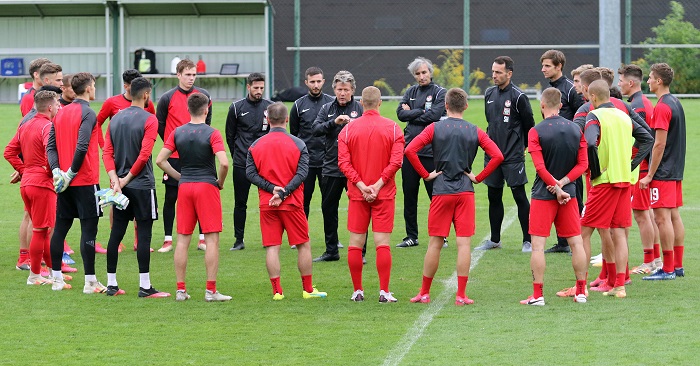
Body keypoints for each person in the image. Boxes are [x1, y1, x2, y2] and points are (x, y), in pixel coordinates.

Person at [406, 87, 503, 306]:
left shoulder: (434, 128)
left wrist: (426, 175)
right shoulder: (475, 130)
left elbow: (410, 150)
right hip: (465, 191)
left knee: (435, 243)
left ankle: (424, 292)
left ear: (446, 106)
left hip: (441, 190)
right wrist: (478, 177)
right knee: (464, 244)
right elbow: (498, 155)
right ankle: (461, 295)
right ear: (466, 106)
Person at [247, 102, 327, 300]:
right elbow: (302, 173)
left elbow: (250, 173)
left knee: (272, 247)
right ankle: (308, 290)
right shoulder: (299, 144)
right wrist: (284, 193)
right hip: (292, 203)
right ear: (287, 119)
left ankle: (277, 291)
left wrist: (270, 189)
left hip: (267, 203)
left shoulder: (255, 146)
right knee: (303, 245)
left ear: (267, 120)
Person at [580, 80, 653, 298]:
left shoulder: (595, 116)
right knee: (619, 233)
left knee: (582, 233)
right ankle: (619, 286)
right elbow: (647, 138)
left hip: (604, 182)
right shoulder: (624, 115)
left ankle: (580, 285)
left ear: (593, 96)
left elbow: (591, 143)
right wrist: (632, 163)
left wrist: (594, 171)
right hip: (624, 181)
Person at [156, 93, 231, 302]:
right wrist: (221, 182)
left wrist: (180, 177)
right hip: (207, 186)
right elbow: (224, 163)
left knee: (182, 240)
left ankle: (180, 290)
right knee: (212, 240)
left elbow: (160, 160)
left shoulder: (177, 132)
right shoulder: (212, 133)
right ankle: (210, 291)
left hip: (185, 187)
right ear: (206, 110)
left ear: (188, 110)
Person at [519, 88, 588, 306]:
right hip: (570, 195)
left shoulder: (535, 131)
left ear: (542, 105)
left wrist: (555, 187)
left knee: (538, 246)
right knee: (576, 243)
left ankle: (538, 295)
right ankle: (580, 292)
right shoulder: (576, 129)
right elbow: (583, 165)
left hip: (543, 194)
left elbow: (540, 167)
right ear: (560, 105)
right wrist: (563, 184)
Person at [102, 77, 170, 298]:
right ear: (147, 95)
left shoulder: (116, 119)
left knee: (116, 234)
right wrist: (126, 179)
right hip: (141, 186)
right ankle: (145, 286)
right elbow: (144, 155)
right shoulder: (150, 120)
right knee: (145, 235)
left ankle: (111, 284)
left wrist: (116, 180)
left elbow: (106, 153)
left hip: (119, 188)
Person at [336, 86, 403, 302]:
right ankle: (384, 291)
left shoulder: (346, 130)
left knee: (356, 243)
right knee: (382, 242)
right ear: (380, 103)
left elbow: (343, 163)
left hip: (358, 194)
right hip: (383, 194)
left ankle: (358, 291)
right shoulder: (393, 129)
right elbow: (396, 162)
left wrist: (362, 185)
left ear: (361, 103)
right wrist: (378, 185)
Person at [47, 72, 105, 293]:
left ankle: (57, 280)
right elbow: (82, 147)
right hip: (85, 180)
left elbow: (50, 146)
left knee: (61, 228)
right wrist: (70, 173)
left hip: (64, 182)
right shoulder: (88, 113)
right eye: (94, 86)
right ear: (88, 88)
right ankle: (90, 282)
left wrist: (56, 172)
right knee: (88, 230)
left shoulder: (61, 113)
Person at [476, 56, 534, 252]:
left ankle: (528, 240)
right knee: (494, 195)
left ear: (509, 74)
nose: (494, 75)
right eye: (493, 71)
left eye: (498, 72)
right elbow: (491, 122)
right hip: (492, 155)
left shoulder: (519, 97)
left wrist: (523, 147)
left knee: (519, 196)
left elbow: (530, 126)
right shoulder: (489, 93)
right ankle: (494, 239)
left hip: (512, 156)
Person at [97, 69, 158, 253]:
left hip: (135, 165)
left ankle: (139, 241)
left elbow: (152, 122)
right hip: (118, 165)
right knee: (118, 199)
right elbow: (97, 123)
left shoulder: (148, 107)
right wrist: (105, 148)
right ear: (127, 86)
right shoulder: (112, 103)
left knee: (139, 209)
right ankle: (117, 238)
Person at [4, 90, 61, 285]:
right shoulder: (47, 126)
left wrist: (24, 170)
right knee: (40, 230)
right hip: (41, 184)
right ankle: (35, 276)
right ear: (50, 107)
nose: (60, 107)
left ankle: (54, 274)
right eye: (58, 104)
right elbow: (49, 152)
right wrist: (48, 171)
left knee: (43, 229)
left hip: (28, 182)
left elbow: (9, 152)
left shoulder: (25, 125)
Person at [155, 59, 212, 253]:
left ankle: (202, 238)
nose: (191, 78)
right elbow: (160, 123)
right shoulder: (166, 98)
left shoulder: (203, 96)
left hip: (200, 156)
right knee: (171, 197)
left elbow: (208, 123)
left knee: (202, 196)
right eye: (187, 74)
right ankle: (168, 239)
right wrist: (174, 144)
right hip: (175, 157)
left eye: (194, 75)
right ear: (178, 75)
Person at [311, 70, 363, 262]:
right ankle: (331, 250)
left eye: (346, 90)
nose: (342, 93)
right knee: (329, 209)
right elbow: (315, 130)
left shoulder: (360, 108)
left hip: (355, 169)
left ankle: (361, 251)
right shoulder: (326, 109)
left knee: (358, 210)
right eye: (339, 89)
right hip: (332, 167)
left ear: (352, 90)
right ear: (334, 89)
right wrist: (333, 123)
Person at [395, 57, 447, 248]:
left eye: (424, 72)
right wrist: (420, 112)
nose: (421, 76)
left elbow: (434, 116)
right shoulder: (410, 91)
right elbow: (400, 114)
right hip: (410, 152)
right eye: (417, 74)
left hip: (431, 152)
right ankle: (411, 236)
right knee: (409, 195)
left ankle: (441, 234)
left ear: (430, 72)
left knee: (435, 195)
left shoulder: (441, 92)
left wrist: (412, 112)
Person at [641, 63, 686, 281]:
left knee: (661, 219)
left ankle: (667, 269)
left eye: (650, 78)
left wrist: (650, 175)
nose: (648, 81)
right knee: (674, 216)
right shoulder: (676, 102)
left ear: (659, 81)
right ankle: (677, 265)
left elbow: (659, 145)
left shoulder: (661, 107)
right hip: (676, 169)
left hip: (663, 172)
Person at [540, 50, 585, 254]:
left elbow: (582, 115)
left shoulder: (569, 89)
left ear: (559, 66)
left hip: (567, 148)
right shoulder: (550, 88)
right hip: (552, 146)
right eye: (543, 66)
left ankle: (578, 238)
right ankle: (563, 241)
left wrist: (573, 138)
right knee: (554, 189)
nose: (543, 69)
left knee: (572, 190)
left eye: (547, 66)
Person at [618, 64, 660, 274]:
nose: (619, 84)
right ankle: (656, 259)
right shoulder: (640, 102)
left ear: (631, 82)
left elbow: (644, 138)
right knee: (647, 214)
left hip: (641, 168)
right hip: (643, 166)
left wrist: (631, 162)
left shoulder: (638, 105)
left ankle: (649, 262)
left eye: (621, 80)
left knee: (642, 214)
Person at [225, 72, 273, 251]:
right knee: (240, 202)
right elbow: (230, 135)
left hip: (264, 164)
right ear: (248, 87)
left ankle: (269, 238)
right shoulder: (236, 107)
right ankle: (239, 240)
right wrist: (237, 154)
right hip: (242, 163)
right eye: (256, 88)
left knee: (268, 201)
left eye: (261, 88)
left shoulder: (271, 107)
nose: (259, 91)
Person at [289, 67, 334, 220]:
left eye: (318, 81)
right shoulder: (298, 105)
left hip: (327, 162)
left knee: (329, 202)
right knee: (303, 202)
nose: (316, 85)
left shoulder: (332, 103)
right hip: (305, 163)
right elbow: (294, 135)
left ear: (323, 82)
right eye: (312, 82)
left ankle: (332, 240)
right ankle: (301, 238)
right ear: (306, 82)